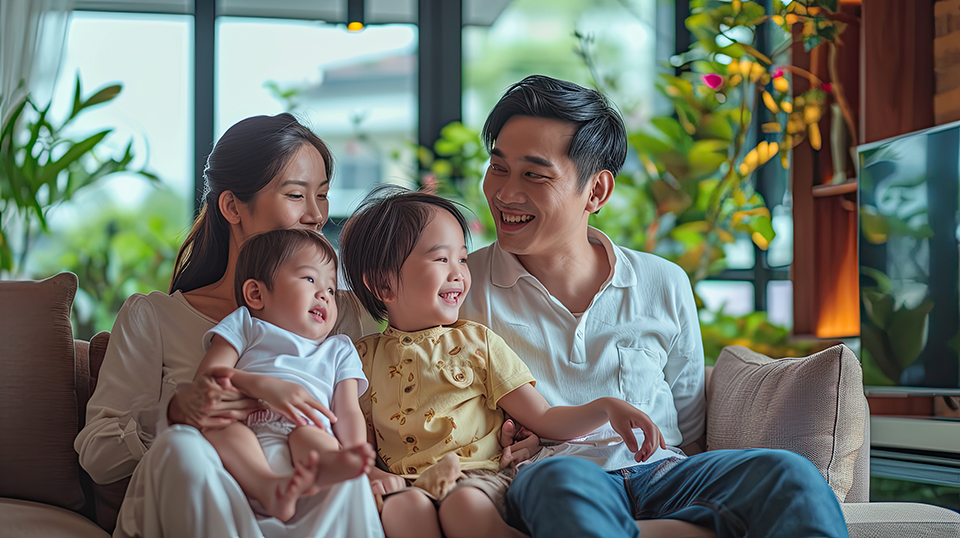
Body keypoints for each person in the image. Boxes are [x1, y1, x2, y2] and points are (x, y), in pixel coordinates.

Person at [459, 75, 850, 538]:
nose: (504, 193)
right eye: (498, 167)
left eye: (534, 175)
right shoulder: (461, 287)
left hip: (660, 473)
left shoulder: (662, 282)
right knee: (564, 483)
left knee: (788, 474)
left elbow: (689, 428)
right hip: (558, 472)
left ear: (597, 192)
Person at [75, 113, 383, 538]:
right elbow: (98, 453)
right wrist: (176, 412)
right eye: (296, 194)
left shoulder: (338, 315)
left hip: (306, 512)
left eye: (323, 195)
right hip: (198, 507)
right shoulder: (156, 317)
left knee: (344, 467)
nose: (315, 215)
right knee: (182, 446)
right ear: (232, 206)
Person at [337, 186, 667, 538]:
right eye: (440, 259)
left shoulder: (477, 342)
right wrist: (371, 473)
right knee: (402, 511)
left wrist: (606, 407)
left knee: (462, 508)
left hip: (477, 478)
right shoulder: (361, 358)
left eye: (462, 259)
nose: (458, 273)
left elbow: (542, 418)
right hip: (404, 483)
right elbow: (360, 438)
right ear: (383, 283)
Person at [194, 228, 376, 522]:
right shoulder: (245, 325)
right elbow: (207, 376)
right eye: (309, 279)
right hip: (246, 424)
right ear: (256, 294)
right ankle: (267, 485)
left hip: (308, 428)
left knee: (315, 441)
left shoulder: (339, 348)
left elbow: (348, 410)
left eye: (331, 289)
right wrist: (261, 385)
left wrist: (354, 450)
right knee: (220, 430)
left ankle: (331, 467)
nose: (324, 295)